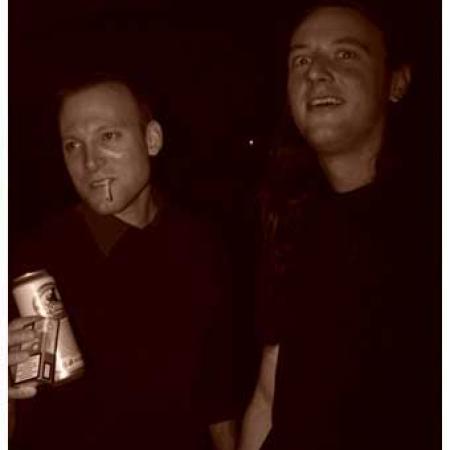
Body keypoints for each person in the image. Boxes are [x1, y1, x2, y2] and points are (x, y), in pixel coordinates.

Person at [239, 2, 439, 449]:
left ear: (397, 82)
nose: (315, 73)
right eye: (300, 60)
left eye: (345, 54)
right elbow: (269, 392)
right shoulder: (287, 218)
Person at [8, 74, 236, 450]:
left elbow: (218, 394)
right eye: (72, 145)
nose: (90, 162)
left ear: (152, 139)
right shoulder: (32, 260)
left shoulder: (201, 244)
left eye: (109, 136)